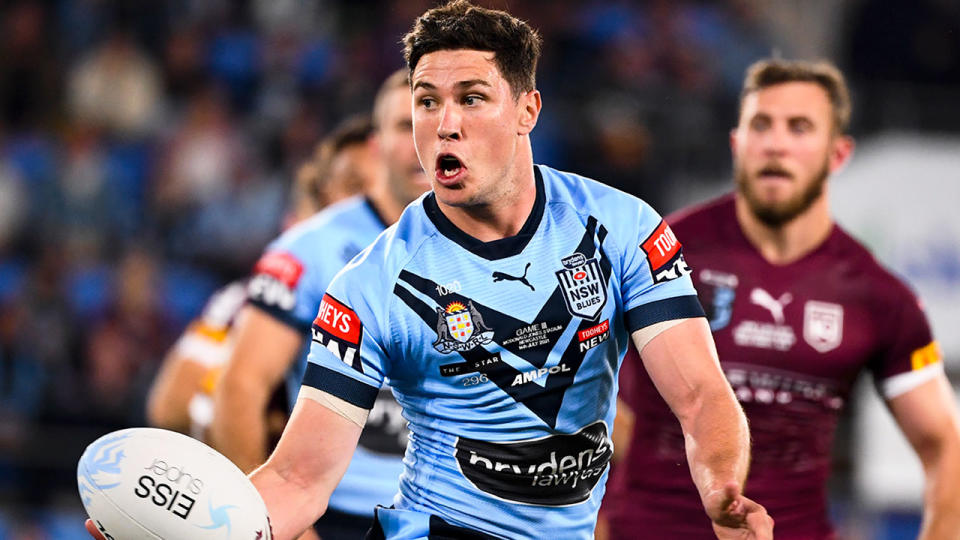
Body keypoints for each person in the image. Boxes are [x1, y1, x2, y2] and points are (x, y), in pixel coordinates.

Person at [88, 3, 772, 539]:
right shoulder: (368, 285)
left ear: (527, 110)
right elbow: (299, 479)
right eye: (426, 100)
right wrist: (204, 531)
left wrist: (720, 486)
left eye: (472, 97)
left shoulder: (622, 229)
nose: (444, 123)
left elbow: (701, 397)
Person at [600, 59, 960, 540]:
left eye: (800, 128)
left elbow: (944, 447)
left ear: (838, 154)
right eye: (761, 125)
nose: (776, 143)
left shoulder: (876, 294)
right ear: (737, 143)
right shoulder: (660, 251)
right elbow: (591, 408)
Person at [209, 69, 430, 540]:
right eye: (402, 126)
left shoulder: (494, 247)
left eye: (429, 122)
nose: (419, 142)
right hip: (334, 519)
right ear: (375, 147)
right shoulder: (308, 250)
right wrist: (274, 522)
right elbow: (239, 389)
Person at [144, 115, 377, 445]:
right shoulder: (248, 301)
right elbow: (171, 407)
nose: (372, 203)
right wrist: (243, 421)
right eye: (355, 187)